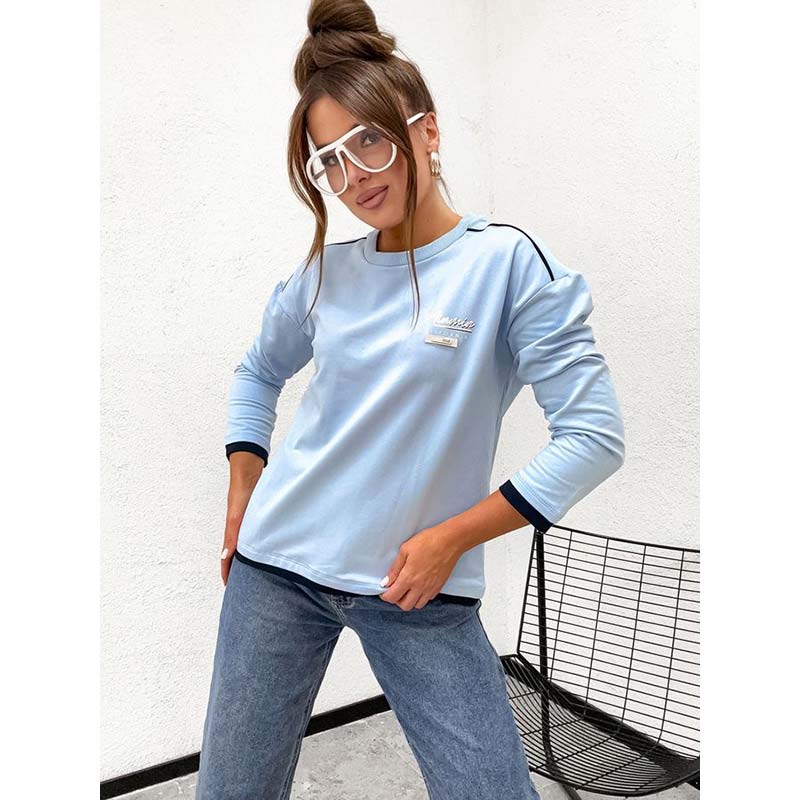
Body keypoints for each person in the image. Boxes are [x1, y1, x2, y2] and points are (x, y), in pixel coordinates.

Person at [196, 1, 625, 798]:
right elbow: (257, 372)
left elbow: (593, 438)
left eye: (368, 140)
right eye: (329, 160)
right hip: (275, 569)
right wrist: (241, 495)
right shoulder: (325, 274)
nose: (354, 175)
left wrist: (450, 540)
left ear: (427, 131)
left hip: (415, 585)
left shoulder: (506, 264)